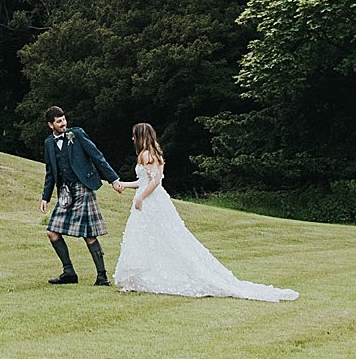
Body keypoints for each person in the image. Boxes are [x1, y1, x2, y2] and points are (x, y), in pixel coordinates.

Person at [110, 122, 297, 301]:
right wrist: (125, 186)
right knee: (153, 237)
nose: (132, 138)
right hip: (155, 199)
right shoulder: (155, 154)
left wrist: (141, 198)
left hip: (151, 202)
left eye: (135, 134)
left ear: (141, 136)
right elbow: (144, 181)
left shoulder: (145, 155)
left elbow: (154, 181)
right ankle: (137, 279)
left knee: (150, 237)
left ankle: (138, 279)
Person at [38, 106, 120, 286]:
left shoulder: (77, 134)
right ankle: (69, 272)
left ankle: (102, 276)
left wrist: (113, 179)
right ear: (50, 125)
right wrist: (45, 197)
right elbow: (50, 172)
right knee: (52, 232)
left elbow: (97, 156)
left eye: (64, 119)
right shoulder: (49, 144)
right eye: (59, 121)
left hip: (83, 187)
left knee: (89, 234)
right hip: (65, 193)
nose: (63, 123)